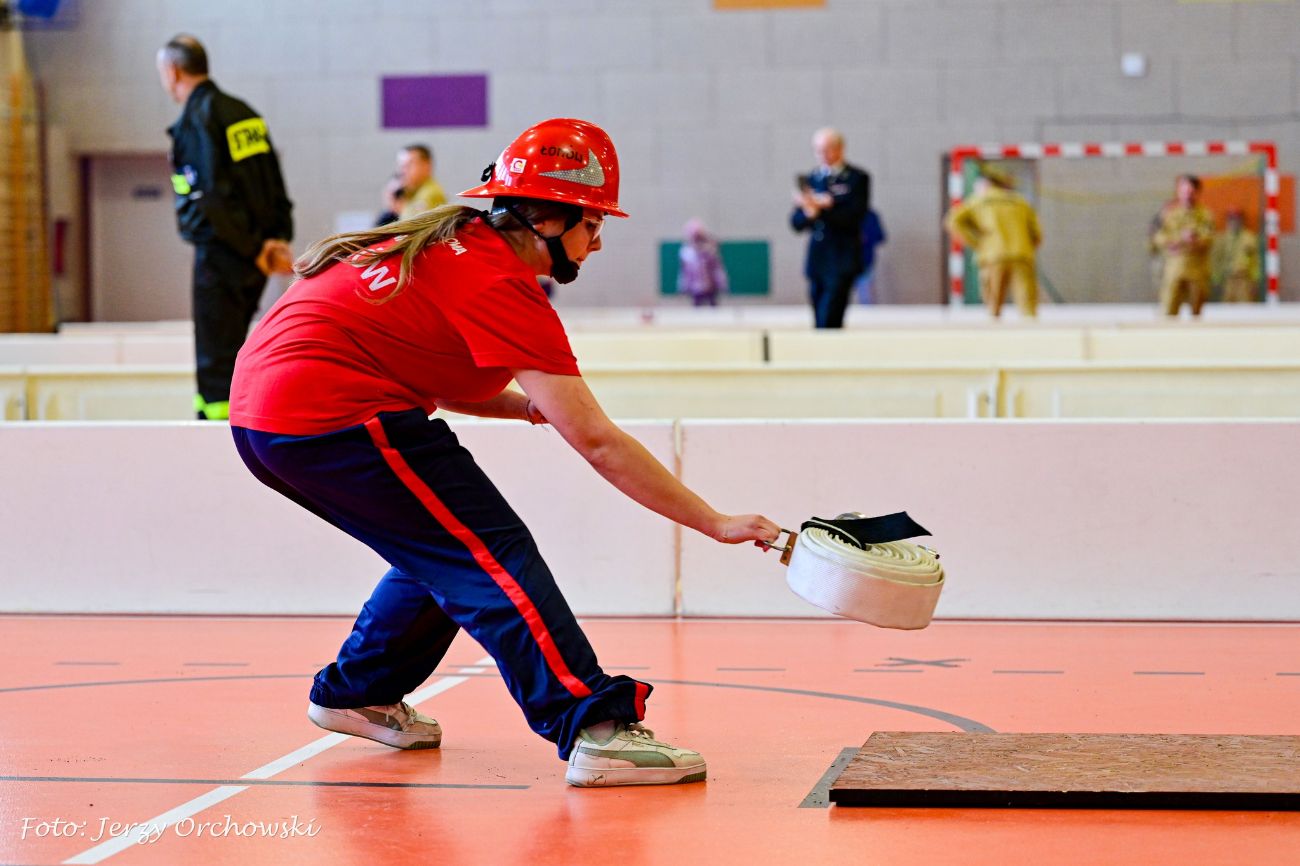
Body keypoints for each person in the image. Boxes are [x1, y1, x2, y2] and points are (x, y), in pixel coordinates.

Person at [227, 118, 780, 789]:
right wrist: (714, 522)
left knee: (447, 548)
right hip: (330, 416)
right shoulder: (497, 282)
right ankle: (594, 728)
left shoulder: (455, 244)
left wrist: (522, 405)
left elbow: (422, 365)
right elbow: (600, 444)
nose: (599, 241)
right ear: (546, 217)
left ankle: (359, 691)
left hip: (270, 417)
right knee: (491, 554)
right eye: (591, 223)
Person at [157, 34, 294, 421]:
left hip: (222, 255)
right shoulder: (243, 112)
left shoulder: (194, 121)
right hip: (256, 259)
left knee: (216, 364)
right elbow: (273, 182)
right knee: (237, 353)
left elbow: (211, 199)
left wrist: (253, 247)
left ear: (173, 71)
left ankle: (216, 442)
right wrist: (276, 240)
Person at [790, 127, 870, 328]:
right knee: (818, 312)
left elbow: (856, 215)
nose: (823, 155)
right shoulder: (813, 179)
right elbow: (796, 222)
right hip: (818, 257)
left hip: (842, 256)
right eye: (818, 150)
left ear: (840, 149)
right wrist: (810, 211)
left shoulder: (856, 178)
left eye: (827, 149)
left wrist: (827, 207)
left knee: (831, 314)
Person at [944, 165, 1041, 319]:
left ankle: (994, 332)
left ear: (986, 184)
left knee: (993, 304)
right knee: (1027, 303)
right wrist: (1028, 246)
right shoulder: (1020, 202)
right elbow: (1037, 234)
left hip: (992, 256)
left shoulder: (979, 201)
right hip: (1021, 254)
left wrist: (975, 242)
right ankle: (1031, 332)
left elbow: (953, 221)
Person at [1151, 174, 1214, 317]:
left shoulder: (1205, 215)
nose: (1187, 196)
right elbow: (1159, 237)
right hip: (1174, 268)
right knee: (1169, 310)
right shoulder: (1170, 214)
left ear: (1197, 193)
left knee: (1196, 313)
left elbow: (1209, 238)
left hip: (1197, 269)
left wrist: (1195, 239)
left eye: (1191, 192)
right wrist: (1178, 239)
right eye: (1183, 192)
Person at [377, 144, 447, 226]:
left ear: (427, 166)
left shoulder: (432, 194)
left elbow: (415, 227)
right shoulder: (412, 190)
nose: (402, 171)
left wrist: (398, 207)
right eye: (401, 165)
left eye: (409, 164)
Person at [1212, 208, 1261, 303]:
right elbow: (1216, 261)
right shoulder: (1221, 240)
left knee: (1246, 310)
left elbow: (1256, 262)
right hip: (1227, 281)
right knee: (1226, 311)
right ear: (1227, 221)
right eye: (1231, 219)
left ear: (1242, 220)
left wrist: (1255, 281)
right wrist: (1216, 281)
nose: (1234, 222)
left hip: (1245, 281)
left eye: (1237, 219)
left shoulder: (1250, 239)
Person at [677, 218, 728, 307]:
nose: (696, 240)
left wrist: (722, 283)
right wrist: (683, 285)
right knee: (697, 312)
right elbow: (684, 272)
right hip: (695, 288)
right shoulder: (686, 252)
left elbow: (717, 269)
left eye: (698, 237)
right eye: (694, 237)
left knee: (714, 311)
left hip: (711, 287)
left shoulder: (709, 251)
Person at [854, 209, 887, 304]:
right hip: (841, 262)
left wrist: (866, 237)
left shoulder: (870, 216)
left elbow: (880, 236)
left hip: (864, 260)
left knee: (865, 295)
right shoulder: (840, 214)